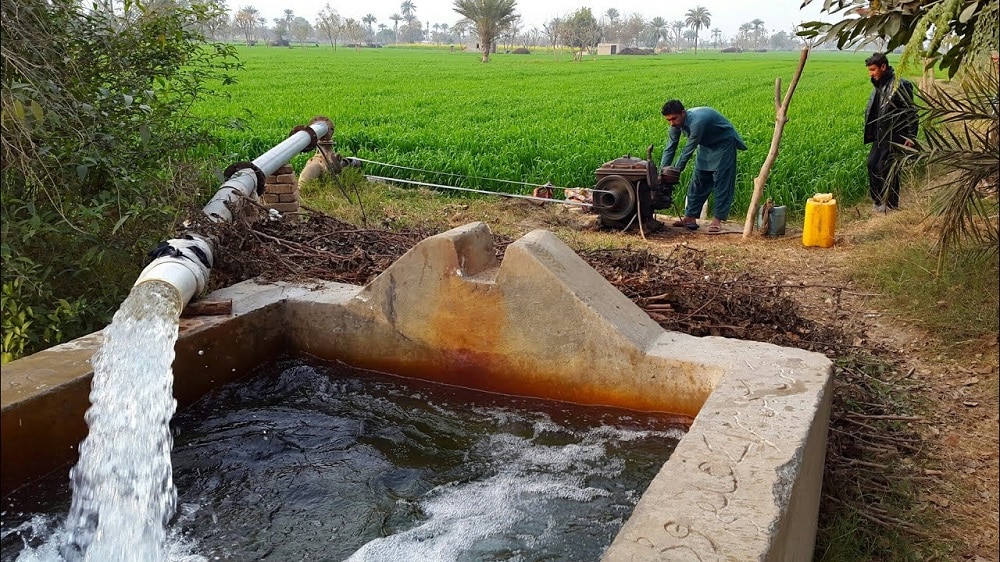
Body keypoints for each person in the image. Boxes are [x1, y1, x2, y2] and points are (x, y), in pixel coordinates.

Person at [659, 99, 747, 233]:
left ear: (683, 113)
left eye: (674, 119)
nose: (672, 123)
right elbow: (670, 148)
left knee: (721, 181)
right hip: (706, 145)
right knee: (698, 180)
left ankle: (717, 220)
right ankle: (690, 217)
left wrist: (675, 171)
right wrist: (662, 172)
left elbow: (688, 149)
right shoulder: (675, 126)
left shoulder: (697, 122)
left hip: (723, 144)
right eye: (669, 120)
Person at [864, 52, 918, 213]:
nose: (871, 73)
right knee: (872, 164)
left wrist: (911, 136)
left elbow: (911, 112)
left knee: (888, 168)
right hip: (880, 134)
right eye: (869, 70)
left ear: (883, 67)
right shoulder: (878, 84)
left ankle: (891, 203)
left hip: (895, 134)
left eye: (873, 69)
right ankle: (879, 200)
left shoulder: (900, 85)